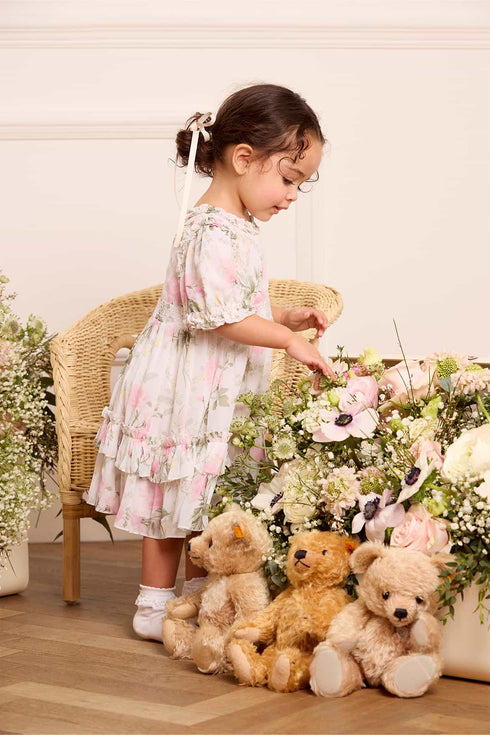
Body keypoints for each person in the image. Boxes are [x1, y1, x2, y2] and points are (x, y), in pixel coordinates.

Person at [87, 83, 334, 642]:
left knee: (206, 495)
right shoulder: (209, 229)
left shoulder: (238, 226)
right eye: (288, 179)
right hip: (184, 385)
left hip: (215, 388)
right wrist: (287, 341)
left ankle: (201, 596)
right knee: (171, 493)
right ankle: (153, 605)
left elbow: (241, 302)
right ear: (243, 158)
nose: (292, 195)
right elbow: (218, 316)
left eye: (300, 184)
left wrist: (286, 317)